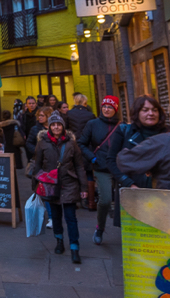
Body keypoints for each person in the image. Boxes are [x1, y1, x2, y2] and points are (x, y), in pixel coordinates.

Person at [29, 112, 90, 263]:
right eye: (53, 125)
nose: (56, 127)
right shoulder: (42, 143)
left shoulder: (71, 143)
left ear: (63, 126)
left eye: (59, 124)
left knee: (71, 217)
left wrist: (84, 188)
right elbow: (37, 165)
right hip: (50, 185)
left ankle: (75, 247)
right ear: (49, 127)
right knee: (55, 216)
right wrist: (36, 186)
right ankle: (59, 240)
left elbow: (79, 165)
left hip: (69, 183)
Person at [77, 95, 124, 245]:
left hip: (120, 168)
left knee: (124, 202)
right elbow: (81, 143)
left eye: (110, 107)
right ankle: (100, 228)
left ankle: (128, 230)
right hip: (102, 167)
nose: (106, 109)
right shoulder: (92, 124)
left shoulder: (122, 126)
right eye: (104, 106)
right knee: (105, 200)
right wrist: (92, 158)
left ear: (115, 109)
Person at [109, 94, 170, 192]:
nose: (151, 113)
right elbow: (111, 160)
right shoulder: (124, 131)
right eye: (145, 110)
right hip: (131, 192)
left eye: (154, 110)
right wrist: (129, 184)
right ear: (137, 113)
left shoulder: (168, 134)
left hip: (162, 193)